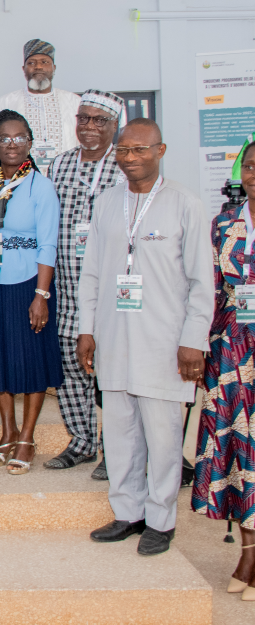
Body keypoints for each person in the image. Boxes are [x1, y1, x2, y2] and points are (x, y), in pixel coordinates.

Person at [81, 118, 213, 556]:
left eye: (140, 150)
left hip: (165, 341)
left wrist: (194, 339)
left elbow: (201, 281)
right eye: (123, 150)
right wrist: (87, 330)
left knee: (162, 435)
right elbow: (92, 273)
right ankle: (127, 512)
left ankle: (160, 519)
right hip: (114, 337)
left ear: (160, 150)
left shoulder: (185, 204)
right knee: (119, 431)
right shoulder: (105, 203)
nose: (130, 158)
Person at [44, 90, 125, 475]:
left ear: (114, 126)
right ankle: (82, 442)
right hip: (65, 290)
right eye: (83, 119)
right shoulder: (58, 165)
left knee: (110, 376)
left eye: (99, 121)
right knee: (71, 373)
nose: (89, 127)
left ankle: (116, 450)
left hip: (108, 293)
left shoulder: (125, 166)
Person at [0, 111, 61, 475]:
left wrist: (41, 295)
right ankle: (8, 430)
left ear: (29, 141)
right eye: (5, 139)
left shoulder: (40, 186)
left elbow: (48, 245)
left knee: (30, 361)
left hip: (29, 282)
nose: (12, 145)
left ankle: (27, 437)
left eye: (20, 138)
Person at [193, 139, 255, 598]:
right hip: (232, 348)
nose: (254, 173)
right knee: (236, 448)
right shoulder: (223, 223)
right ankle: (249, 551)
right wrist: (199, 347)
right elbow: (208, 292)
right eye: (250, 166)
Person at [0, 40, 82, 174]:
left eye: (44, 62)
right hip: (20, 181)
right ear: (23, 69)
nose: (38, 67)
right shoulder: (3, 104)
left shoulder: (75, 103)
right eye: (31, 63)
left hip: (66, 180)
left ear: (54, 68)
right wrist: (8, 178)